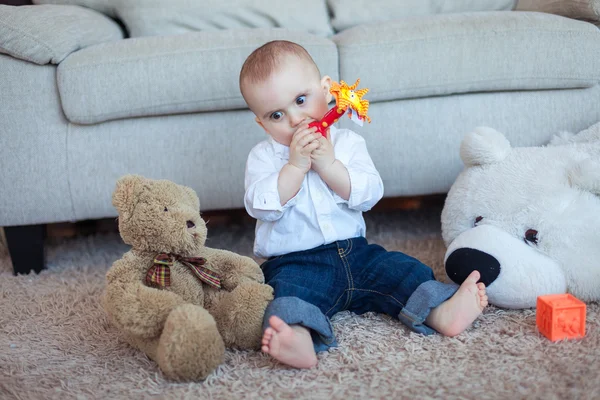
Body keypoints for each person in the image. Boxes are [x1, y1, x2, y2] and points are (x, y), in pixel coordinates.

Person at [239, 40, 488, 369]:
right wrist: (294, 168)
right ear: (262, 123)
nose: (296, 119)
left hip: (356, 252)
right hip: (297, 261)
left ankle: (441, 312)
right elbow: (261, 205)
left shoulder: (348, 143)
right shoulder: (263, 157)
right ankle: (298, 336)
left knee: (400, 269)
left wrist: (329, 166)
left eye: (301, 100)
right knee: (283, 292)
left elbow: (369, 194)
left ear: (327, 90)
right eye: (277, 114)